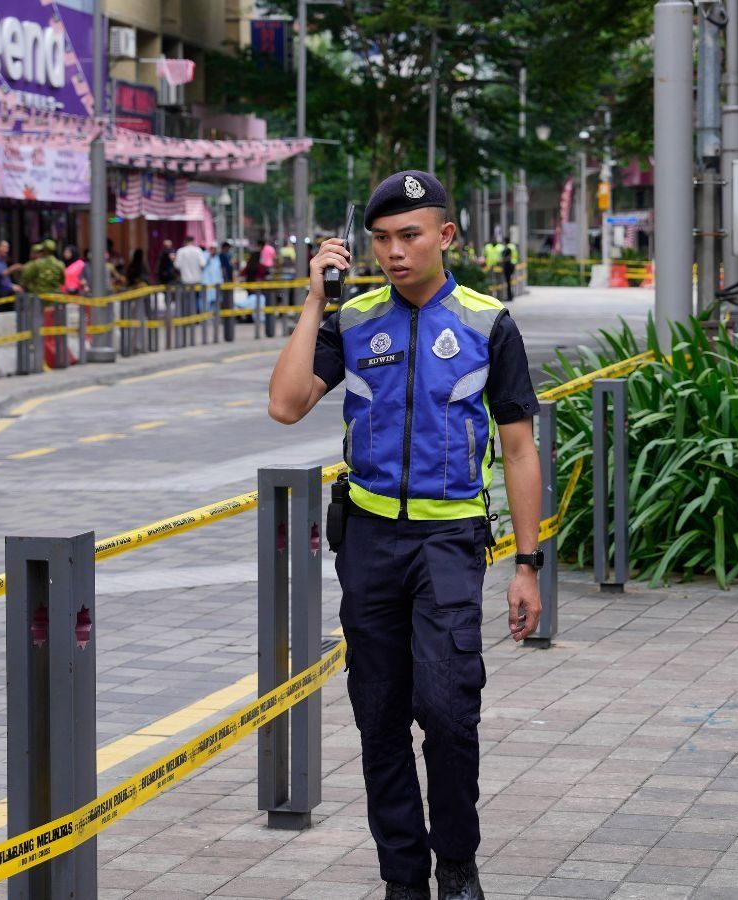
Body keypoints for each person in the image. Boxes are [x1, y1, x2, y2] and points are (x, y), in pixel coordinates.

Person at [267, 170, 541, 900]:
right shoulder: (353, 321)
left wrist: (527, 563)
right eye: (381, 239)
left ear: (446, 236)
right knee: (379, 714)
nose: (393, 252)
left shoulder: (489, 323)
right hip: (369, 544)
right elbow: (287, 404)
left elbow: (519, 448)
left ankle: (456, 860)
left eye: (409, 236)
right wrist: (313, 300)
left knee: (450, 711)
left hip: (450, 543)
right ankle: (402, 876)